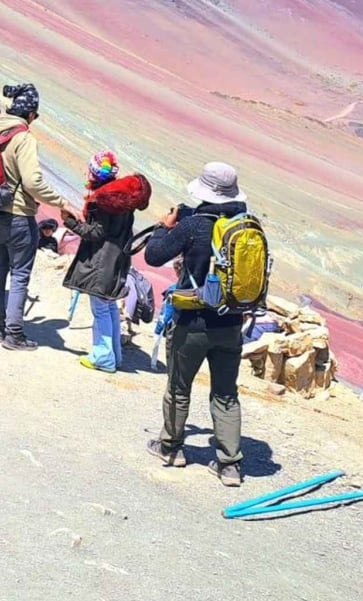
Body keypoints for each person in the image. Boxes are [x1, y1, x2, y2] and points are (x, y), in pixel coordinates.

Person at [143, 162, 250, 486]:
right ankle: (229, 465)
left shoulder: (193, 226)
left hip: (192, 323)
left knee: (179, 387)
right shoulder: (245, 227)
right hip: (231, 324)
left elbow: (153, 256)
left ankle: (171, 448)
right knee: (226, 393)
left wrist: (164, 227)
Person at [0, 84, 76, 352]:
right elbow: (32, 182)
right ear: (31, 114)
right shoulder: (23, 138)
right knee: (20, 275)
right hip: (18, 215)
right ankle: (14, 334)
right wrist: (62, 202)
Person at [61, 152, 152, 373]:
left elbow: (95, 233)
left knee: (101, 308)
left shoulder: (103, 200)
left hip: (102, 261)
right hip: (119, 257)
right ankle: (114, 355)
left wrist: (69, 222)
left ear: (93, 173)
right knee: (109, 304)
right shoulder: (124, 197)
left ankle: (103, 357)